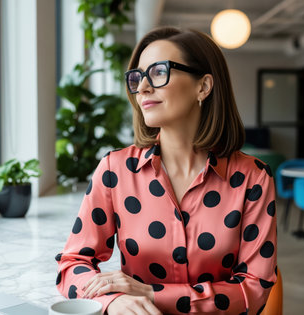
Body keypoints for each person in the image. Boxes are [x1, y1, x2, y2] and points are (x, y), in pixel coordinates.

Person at [56, 26, 277, 315]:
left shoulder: (253, 177)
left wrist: (150, 293)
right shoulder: (116, 170)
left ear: (204, 86)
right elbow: (72, 264)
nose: (143, 88)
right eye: (137, 78)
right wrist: (112, 301)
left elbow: (254, 288)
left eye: (159, 72)